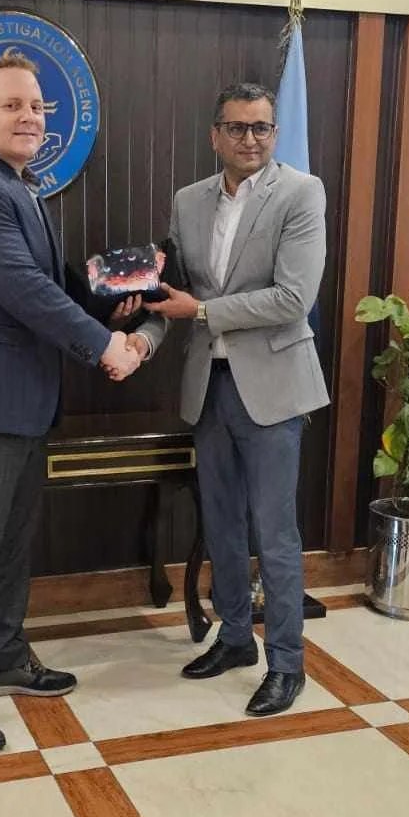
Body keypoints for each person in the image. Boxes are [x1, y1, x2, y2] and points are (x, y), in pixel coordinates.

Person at [0, 52, 140, 755]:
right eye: (12, 105)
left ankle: (4, 657)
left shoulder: (20, 184)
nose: (29, 117)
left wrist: (113, 303)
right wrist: (104, 344)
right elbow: (22, 290)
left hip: (21, 404)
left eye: (37, 106)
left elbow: (51, 283)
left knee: (8, 550)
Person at [132, 81, 329, 717]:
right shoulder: (187, 202)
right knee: (219, 523)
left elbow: (292, 299)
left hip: (272, 387)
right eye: (238, 128)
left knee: (274, 532)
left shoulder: (301, 193)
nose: (251, 140)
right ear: (215, 134)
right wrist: (138, 329)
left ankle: (287, 664)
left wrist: (204, 310)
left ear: (274, 133)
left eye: (262, 128)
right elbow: (174, 293)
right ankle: (237, 639)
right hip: (207, 387)